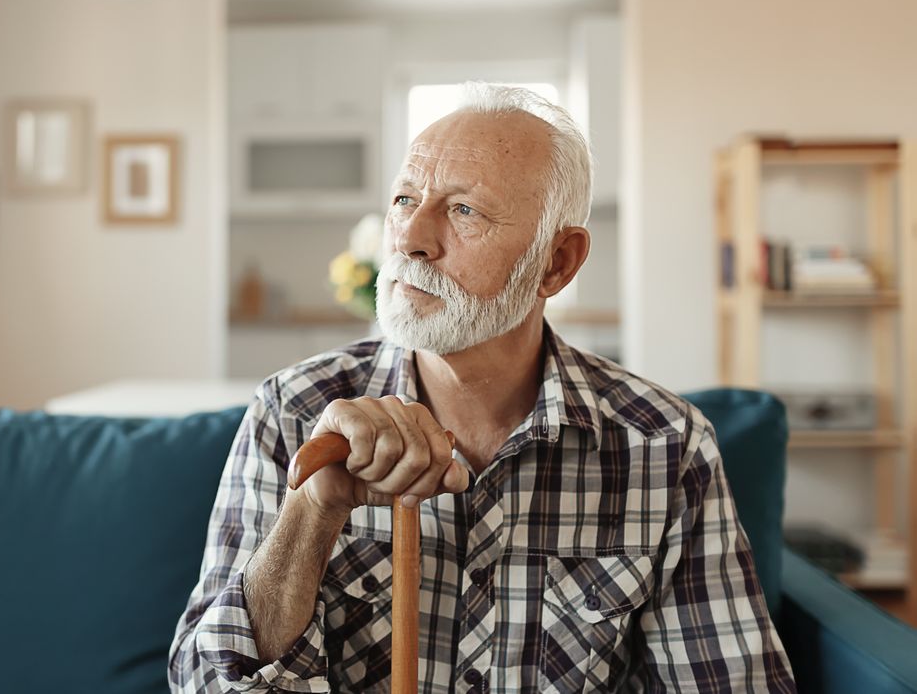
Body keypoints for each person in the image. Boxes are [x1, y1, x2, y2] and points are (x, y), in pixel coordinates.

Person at [169, 82, 796, 692]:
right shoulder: (292, 413)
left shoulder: (666, 447)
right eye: (405, 200)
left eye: (464, 210)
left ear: (557, 262)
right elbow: (206, 684)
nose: (412, 239)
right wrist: (312, 513)